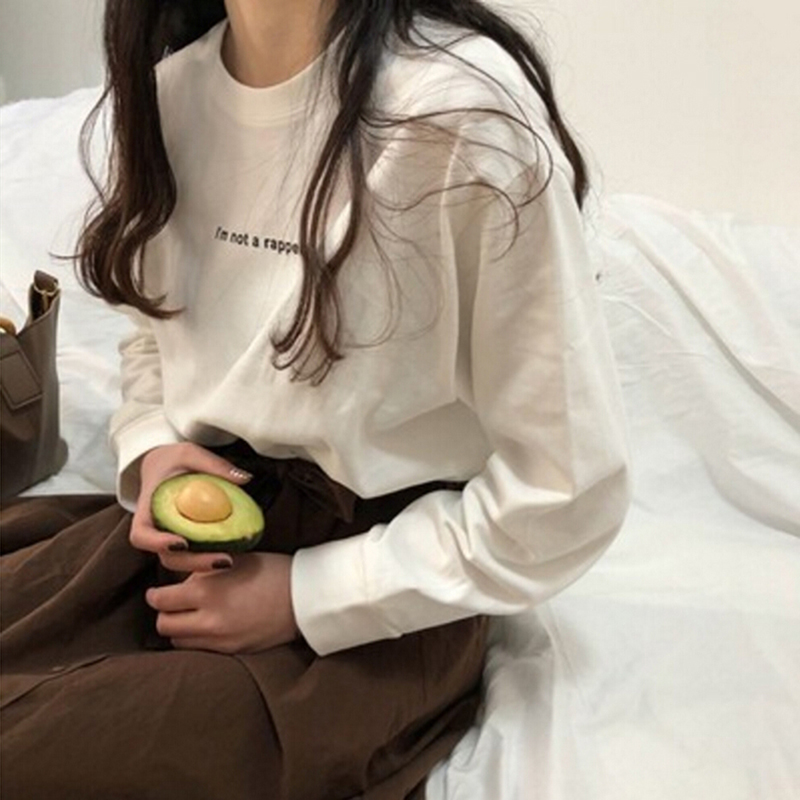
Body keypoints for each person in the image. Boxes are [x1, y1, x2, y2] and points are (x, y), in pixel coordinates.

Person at [0, 1, 631, 798]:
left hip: (388, 588)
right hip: (197, 536)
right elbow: (153, 331)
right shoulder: (172, 93)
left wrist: (307, 597)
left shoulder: (458, 118)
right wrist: (155, 445)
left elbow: (568, 490)